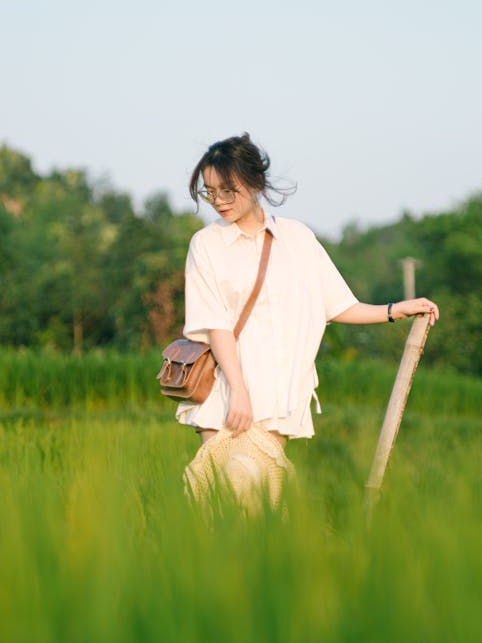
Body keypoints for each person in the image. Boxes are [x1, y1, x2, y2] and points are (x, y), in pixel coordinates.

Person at [176, 133, 439, 456]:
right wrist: (239, 392)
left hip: (279, 399)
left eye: (228, 190)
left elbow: (338, 305)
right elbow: (216, 325)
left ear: (255, 182)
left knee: (264, 501)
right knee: (226, 499)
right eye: (210, 191)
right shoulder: (207, 244)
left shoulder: (297, 238)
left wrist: (395, 310)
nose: (218, 200)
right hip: (228, 398)